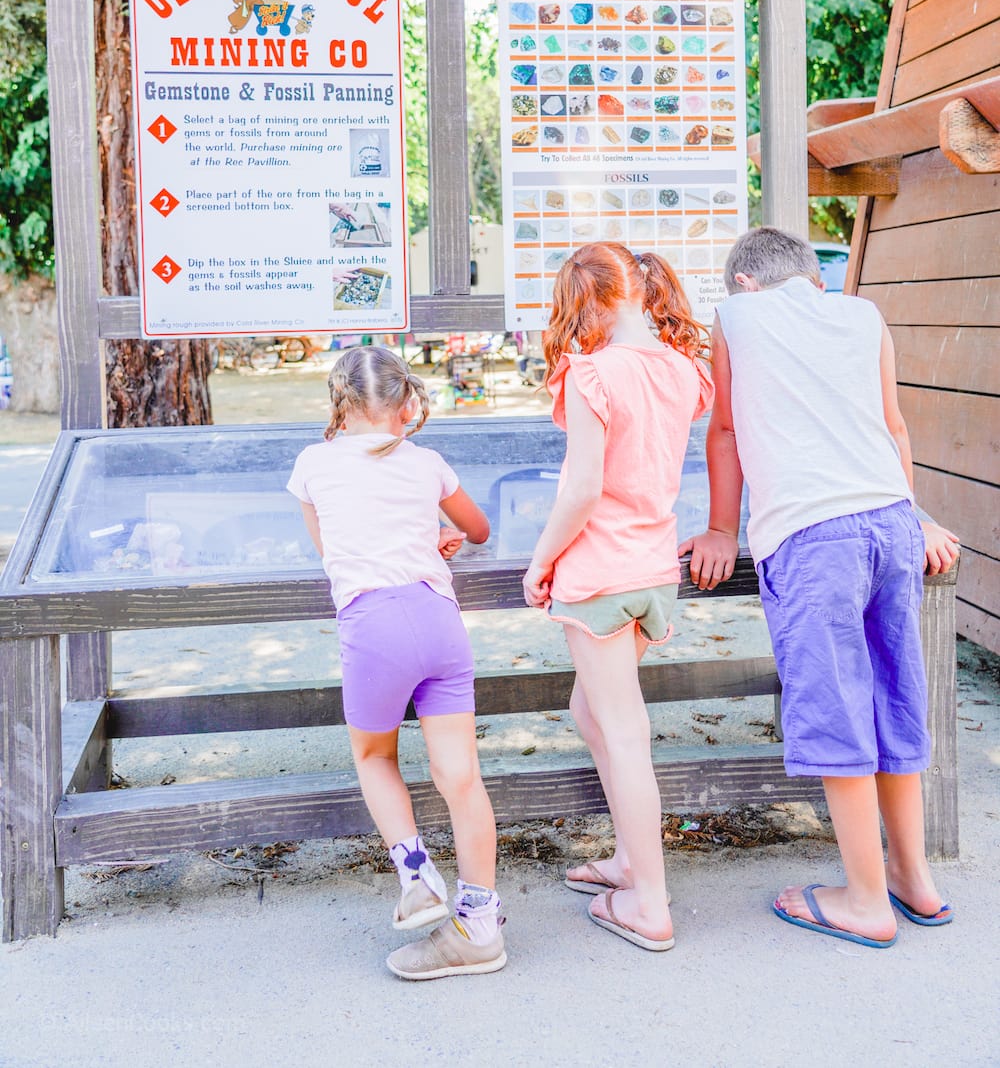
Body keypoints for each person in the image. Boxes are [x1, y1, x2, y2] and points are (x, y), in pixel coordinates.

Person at [683, 227, 960, 949]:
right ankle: (913, 880)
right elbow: (891, 427)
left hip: (815, 538)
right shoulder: (862, 315)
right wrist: (917, 512)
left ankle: (864, 901)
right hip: (892, 526)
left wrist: (719, 529)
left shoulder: (737, 315)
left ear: (743, 283)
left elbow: (725, 431)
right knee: (894, 697)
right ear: (813, 278)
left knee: (836, 708)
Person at [287, 347, 506, 980]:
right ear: (404, 400)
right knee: (461, 778)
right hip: (438, 620)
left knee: (376, 757)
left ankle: (416, 879)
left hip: (373, 628)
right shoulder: (427, 462)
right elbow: (479, 529)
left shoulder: (313, 465)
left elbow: (336, 552)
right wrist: (436, 532)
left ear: (339, 401)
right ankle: (480, 923)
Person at [523, 242, 714, 952]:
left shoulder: (592, 374)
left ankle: (649, 902)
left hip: (599, 574)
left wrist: (539, 563)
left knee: (624, 733)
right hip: (652, 572)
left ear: (592, 300)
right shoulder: (683, 370)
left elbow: (580, 490)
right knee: (590, 709)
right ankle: (632, 861)